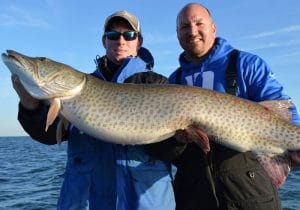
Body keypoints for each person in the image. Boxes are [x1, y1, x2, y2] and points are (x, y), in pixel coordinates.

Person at [12, 10, 177, 210]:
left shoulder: (158, 84)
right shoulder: (75, 92)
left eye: (129, 35)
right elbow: (48, 135)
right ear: (104, 41)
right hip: (86, 202)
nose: (121, 41)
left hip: (144, 202)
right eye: (113, 35)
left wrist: (181, 139)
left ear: (139, 41)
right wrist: (29, 105)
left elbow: (171, 149)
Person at [168, 3, 300, 210]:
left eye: (198, 23)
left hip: (248, 192)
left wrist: (294, 143)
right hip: (194, 195)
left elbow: (283, 109)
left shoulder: (246, 64)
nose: (192, 31)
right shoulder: (173, 81)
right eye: (184, 26)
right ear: (177, 34)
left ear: (213, 28)